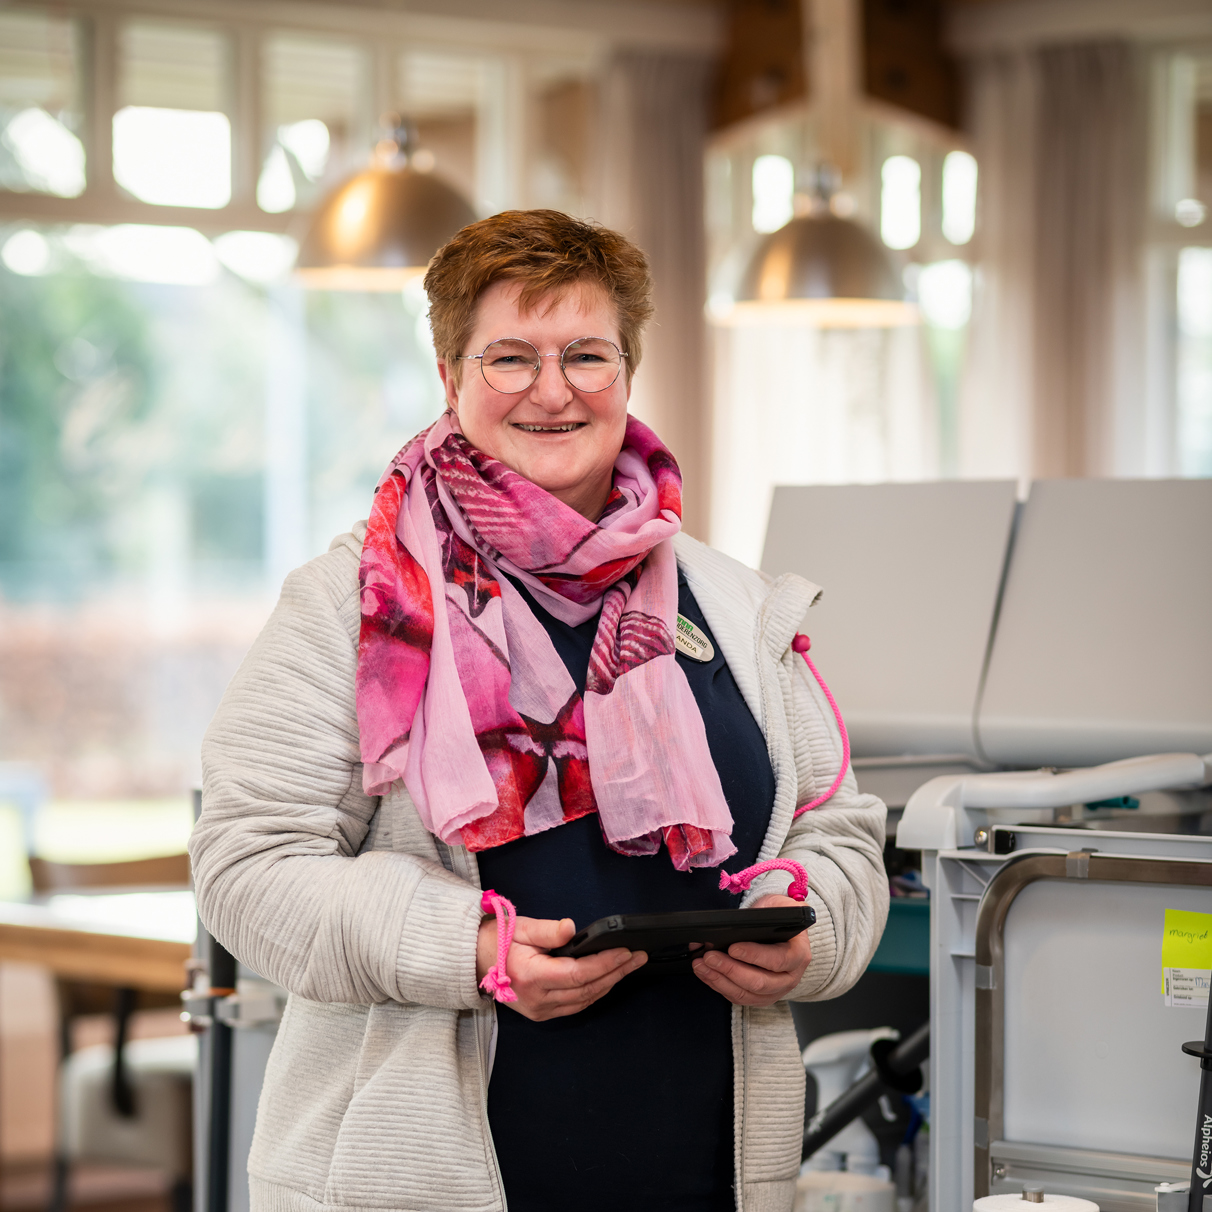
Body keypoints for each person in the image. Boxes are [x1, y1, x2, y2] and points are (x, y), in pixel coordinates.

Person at [191, 209, 888, 1212]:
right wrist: (467, 949)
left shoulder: (734, 605)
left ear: (628, 372)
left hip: (705, 1176)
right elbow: (248, 866)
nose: (553, 391)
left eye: (586, 355)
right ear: (451, 378)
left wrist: (804, 926)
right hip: (424, 1187)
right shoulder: (357, 605)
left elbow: (839, 833)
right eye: (511, 358)